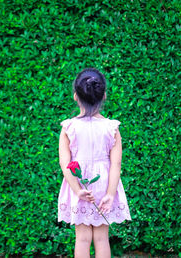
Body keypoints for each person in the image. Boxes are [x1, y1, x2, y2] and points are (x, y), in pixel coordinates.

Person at [58, 68, 131, 258]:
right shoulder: (112, 128)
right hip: (103, 184)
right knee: (101, 238)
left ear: (75, 96)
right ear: (104, 95)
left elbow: (65, 162)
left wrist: (77, 189)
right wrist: (110, 193)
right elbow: (116, 164)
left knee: (82, 238)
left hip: (80, 185)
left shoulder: (68, 127)